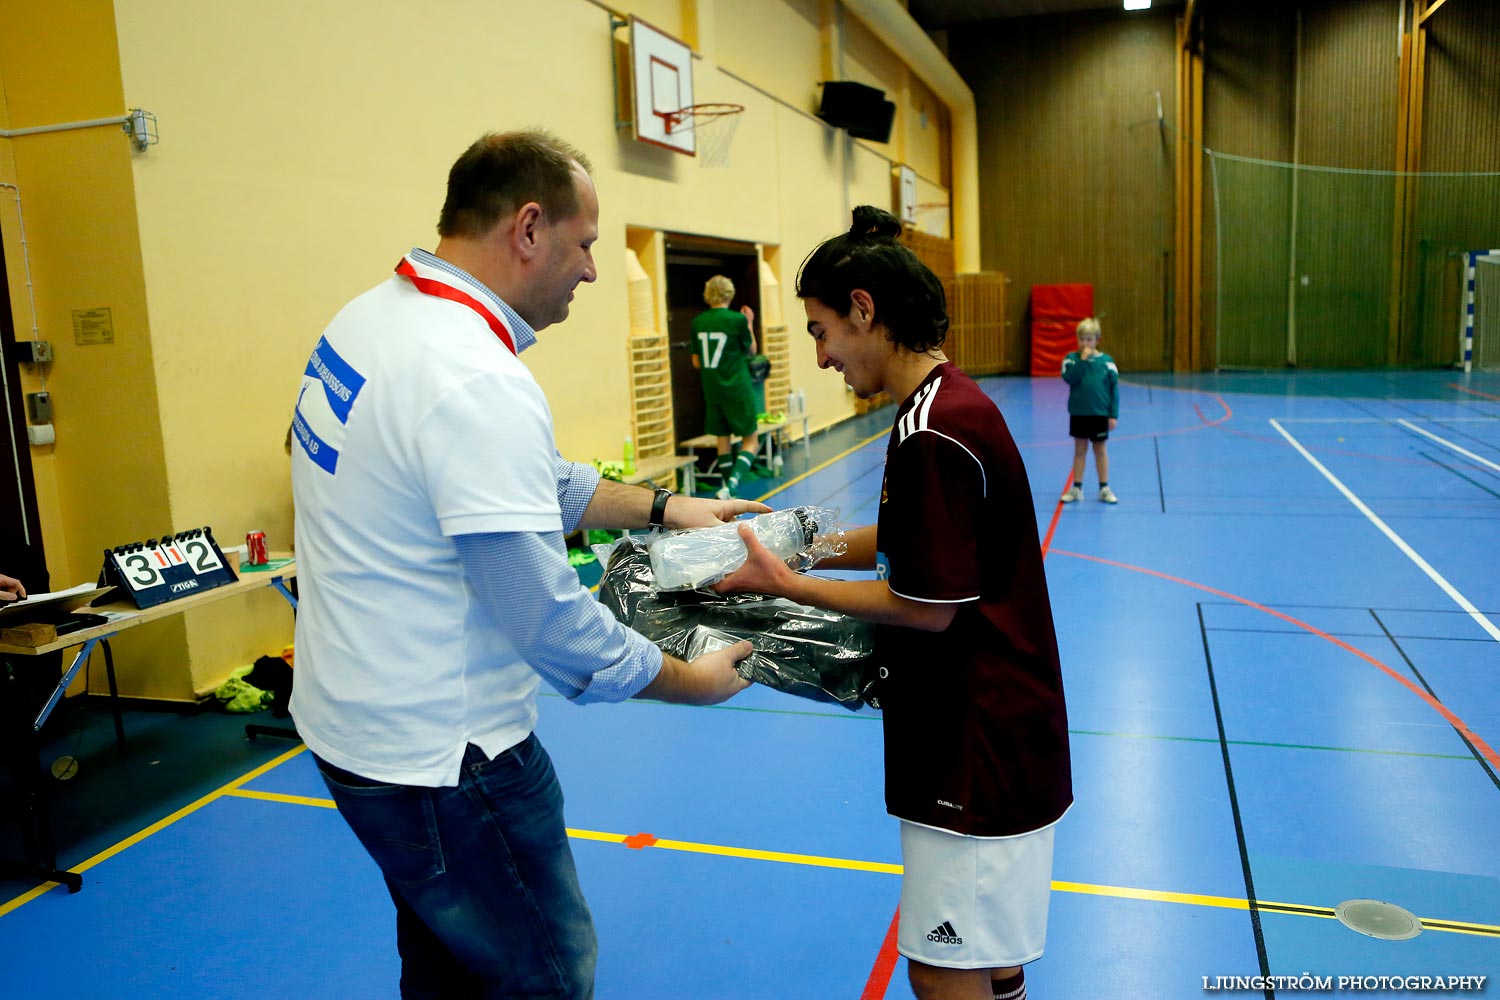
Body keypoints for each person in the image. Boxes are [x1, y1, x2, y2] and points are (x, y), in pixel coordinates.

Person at [288, 129, 764, 999]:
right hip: (450, 759)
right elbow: (546, 619)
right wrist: (690, 681)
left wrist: (663, 506)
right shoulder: (472, 377)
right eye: (585, 245)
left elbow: (519, 482)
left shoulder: (375, 318)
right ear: (530, 228)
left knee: (448, 960)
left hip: (357, 732)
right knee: (542, 973)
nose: (590, 270)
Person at [716, 207, 1072, 1000]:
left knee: (942, 970)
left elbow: (925, 605)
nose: (820, 357)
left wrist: (785, 585)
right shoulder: (943, 405)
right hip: (996, 732)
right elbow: (906, 537)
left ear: (865, 310)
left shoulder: (932, 431)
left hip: (972, 747)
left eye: (821, 331)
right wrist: (800, 541)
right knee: (995, 958)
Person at [691, 274, 760, 499]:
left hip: (712, 389)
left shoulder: (698, 322)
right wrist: (749, 323)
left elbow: (697, 362)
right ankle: (732, 483)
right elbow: (752, 351)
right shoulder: (736, 320)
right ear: (729, 293)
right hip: (737, 387)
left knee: (723, 439)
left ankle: (726, 487)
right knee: (751, 440)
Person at [1059, 317, 1119, 504]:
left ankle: (1104, 487)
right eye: (1082, 339)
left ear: (1097, 340)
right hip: (1079, 414)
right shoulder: (1071, 360)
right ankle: (1077, 488)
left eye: (1089, 339)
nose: (1085, 343)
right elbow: (1070, 379)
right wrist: (1082, 362)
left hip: (1099, 414)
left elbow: (1113, 390)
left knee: (1100, 449)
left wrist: (1113, 415)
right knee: (1080, 450)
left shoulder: (1107, 363)